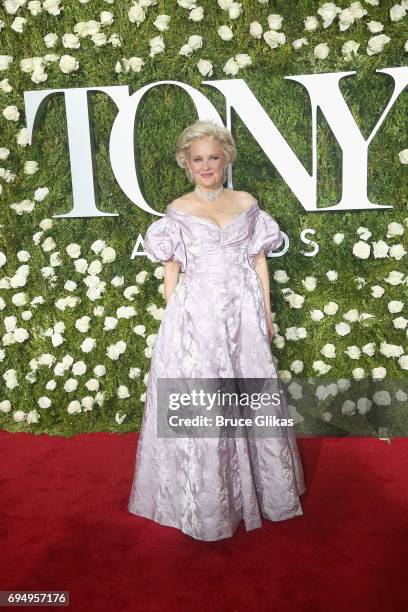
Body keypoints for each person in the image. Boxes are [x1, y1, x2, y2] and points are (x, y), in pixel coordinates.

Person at [128, 119, 306, 541]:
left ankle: (263, 492)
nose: (206, 166)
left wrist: (266, 313)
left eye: (213, 157)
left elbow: (259, 262)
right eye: (197, 160)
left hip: (243, 314)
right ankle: (205, 503)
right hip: (197, 317)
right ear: (186, 165)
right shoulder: (177, 211)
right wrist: (177, 321)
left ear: (226, 158)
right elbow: (172, 271)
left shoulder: (247, 203)